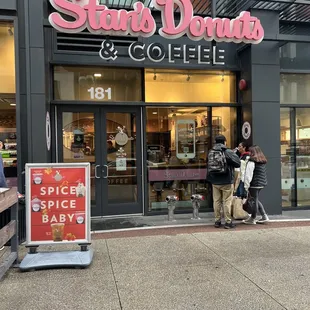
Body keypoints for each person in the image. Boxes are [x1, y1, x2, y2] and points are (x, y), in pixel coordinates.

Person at [207, 135, 241, 229]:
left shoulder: (211, 152)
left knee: (216, 201)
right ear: (224, 142)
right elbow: (238, 163)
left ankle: (217, 221)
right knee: (227, 201)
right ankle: (227, 222)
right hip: (226, 180)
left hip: (214, 180)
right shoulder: (228, 151)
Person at [242, 145, 269, 225]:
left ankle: (252, 218)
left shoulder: (252, 161)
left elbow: (248, 175)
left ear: (252, 152)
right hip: (261, 183)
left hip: (254, 183)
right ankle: (264, 216)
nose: (249, 153)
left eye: (250, 151)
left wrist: (246, 186)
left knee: (254, 200)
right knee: (256, 199)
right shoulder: (262, 160)